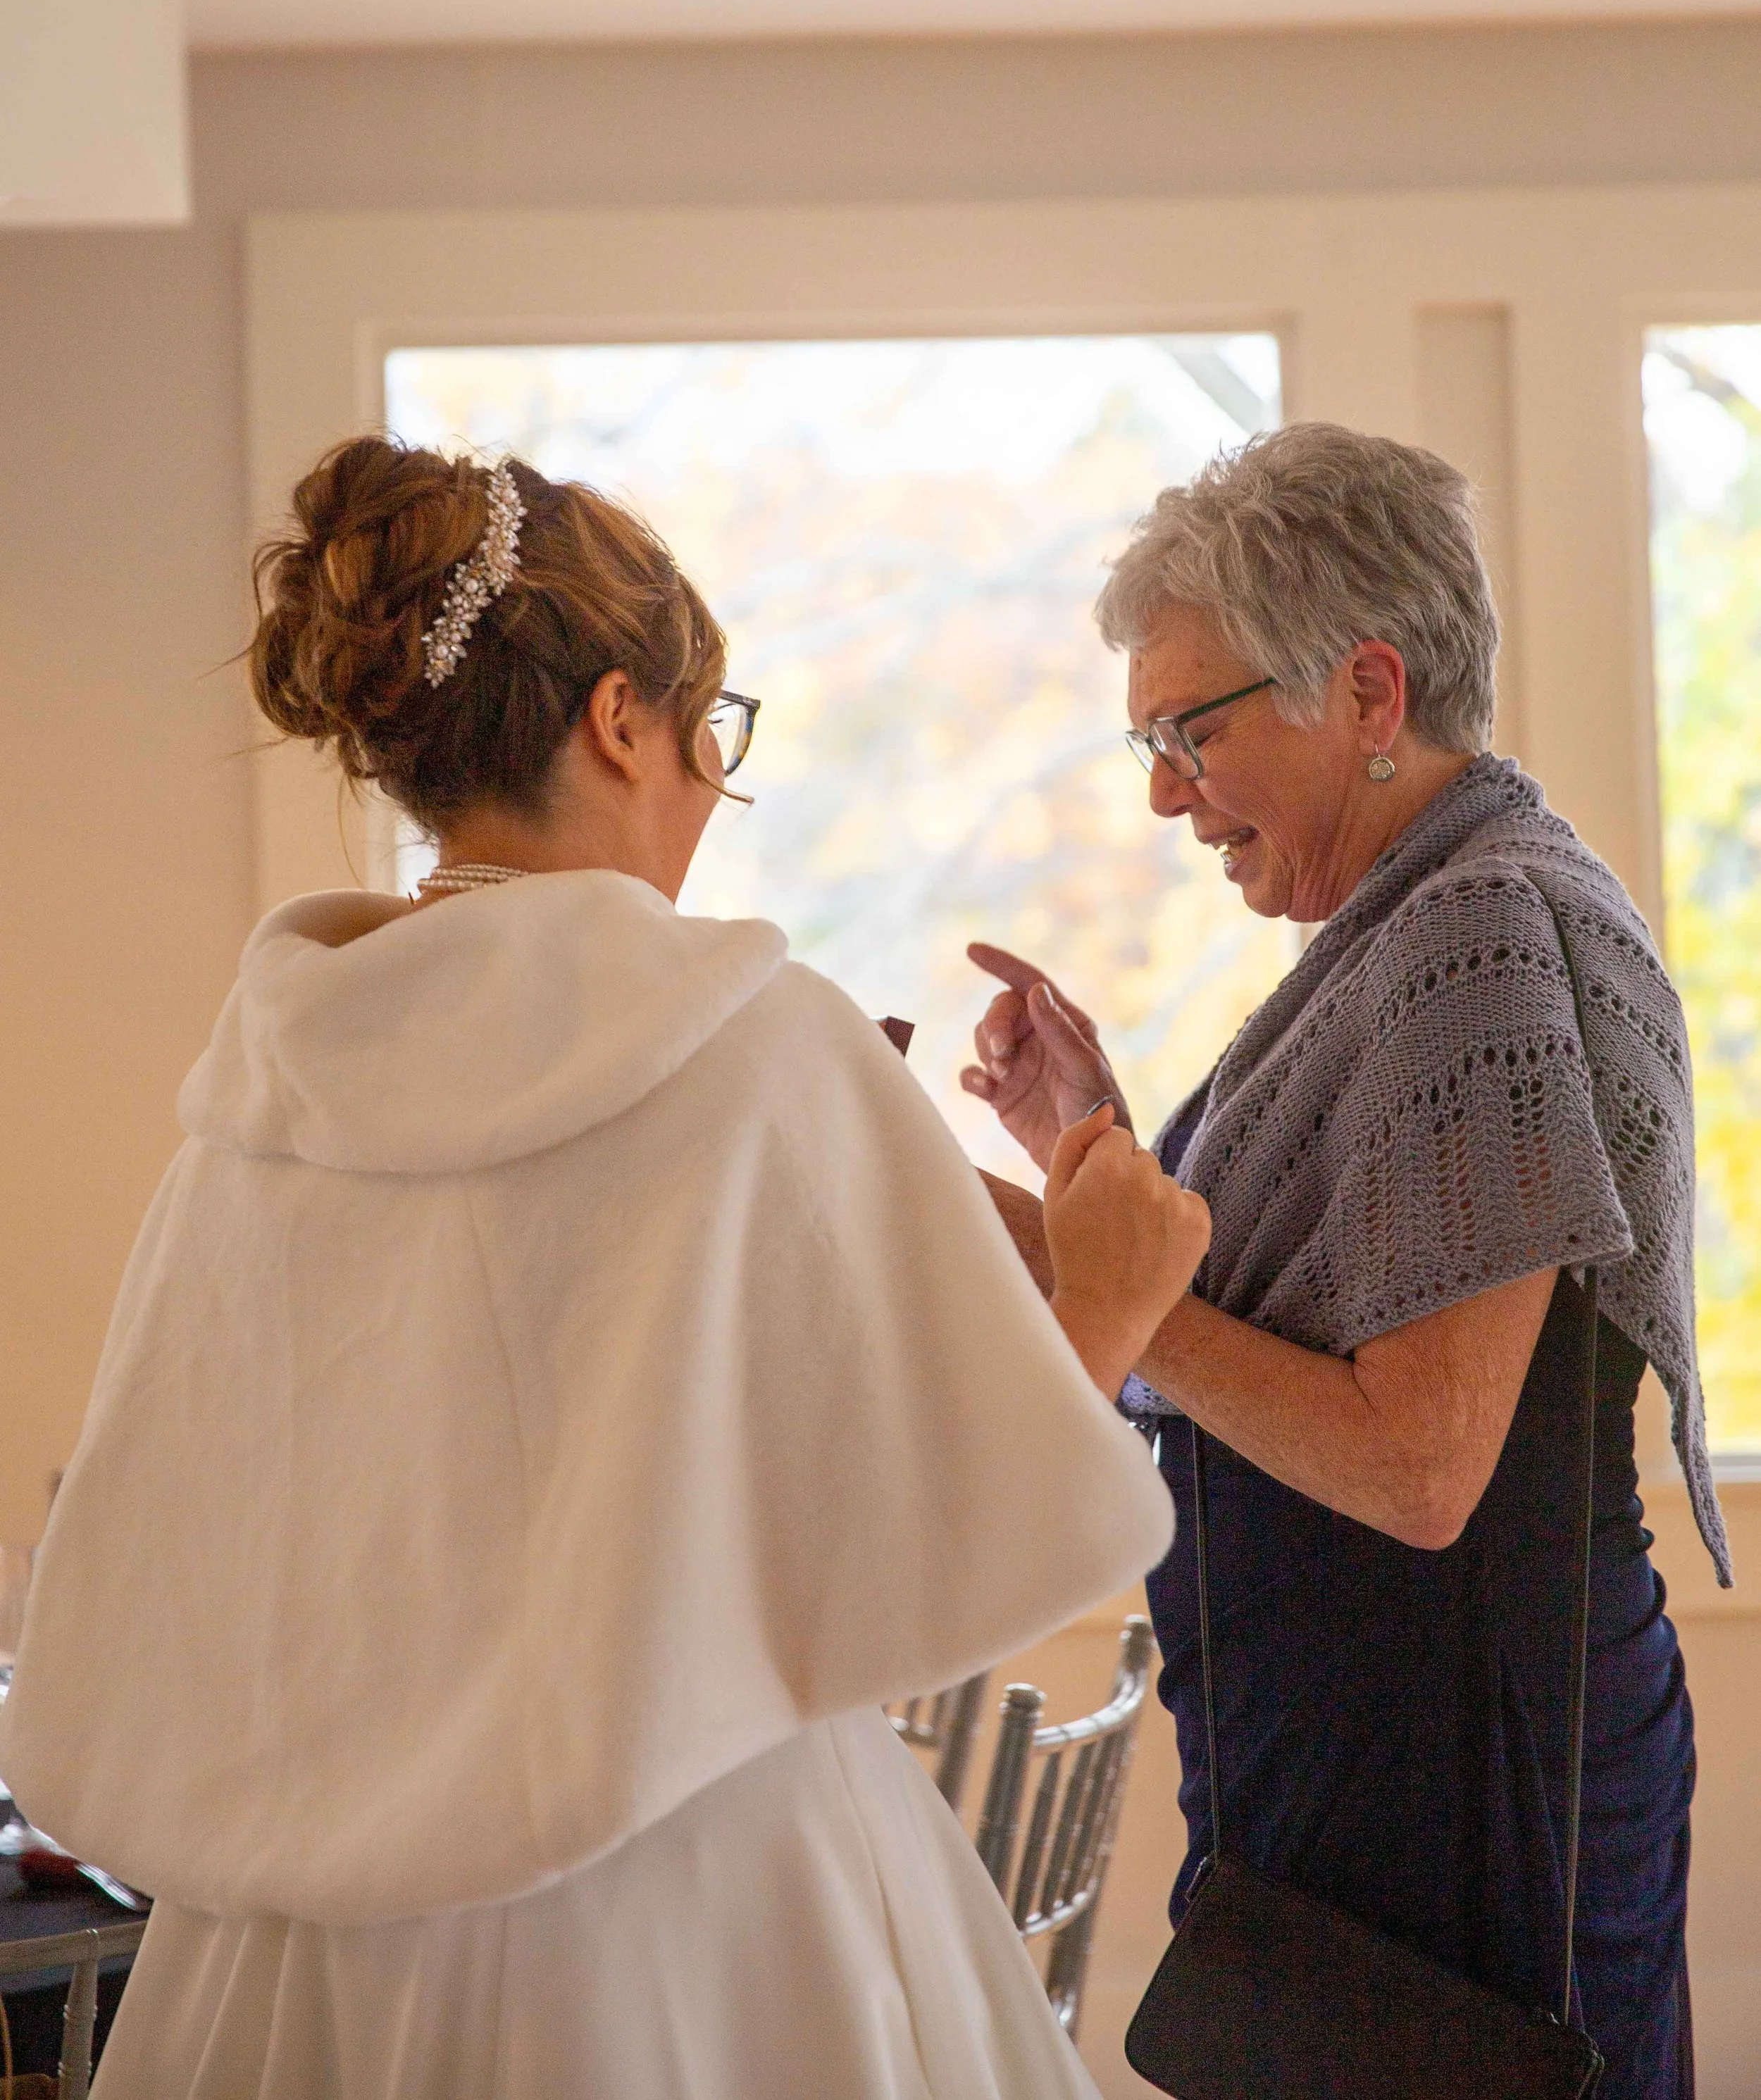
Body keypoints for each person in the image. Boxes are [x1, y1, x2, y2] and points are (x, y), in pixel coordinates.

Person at [1, 436, 1210, 2100]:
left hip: (304, 1949)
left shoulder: (262, 1103)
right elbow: (917, 1562)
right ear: (619, 718)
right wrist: (1105, 1308)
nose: (714, 784)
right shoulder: (762, 1043)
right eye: (711, 730)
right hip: (705, 1905)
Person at [964, 423, 1727, 2100]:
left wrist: (1106, 1268)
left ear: (1367, 694)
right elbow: (1293, 1298)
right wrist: (1084, 1151)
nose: (1163, 793)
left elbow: (1416, 1463)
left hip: (1450, 1826)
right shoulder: (1422, 919)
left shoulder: (1469, 932)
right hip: (1397, 1788)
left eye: (1190, 729)